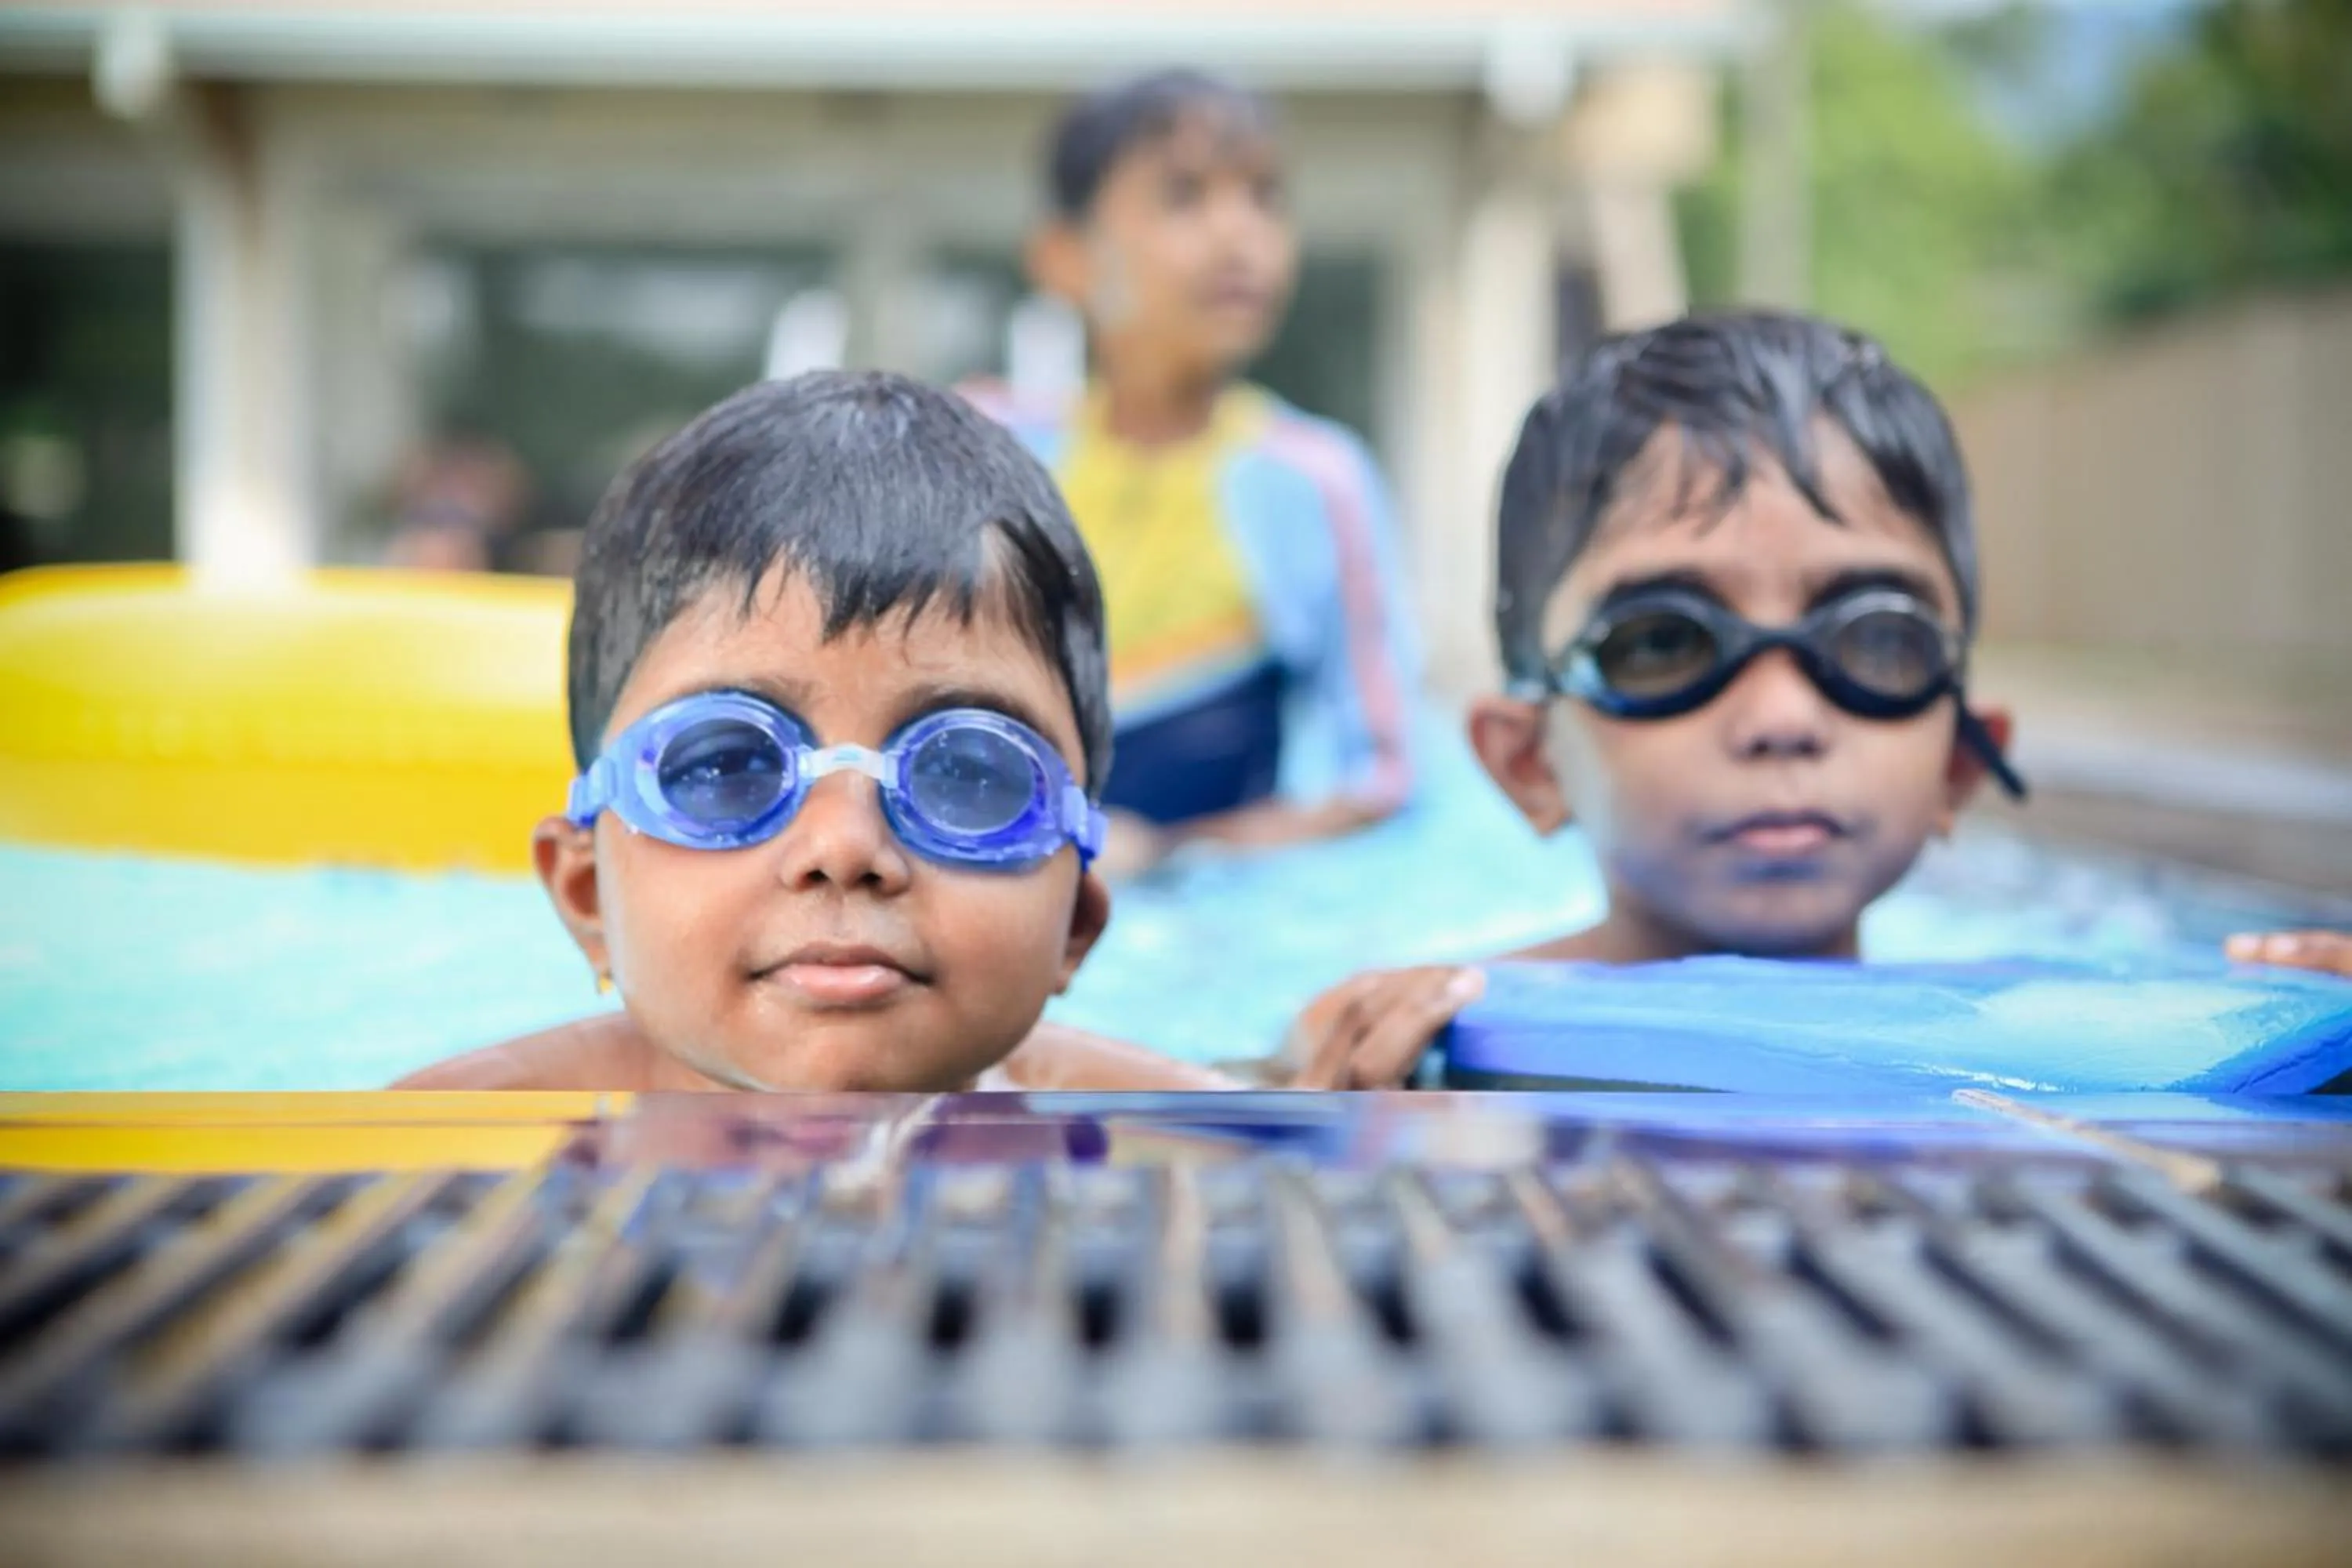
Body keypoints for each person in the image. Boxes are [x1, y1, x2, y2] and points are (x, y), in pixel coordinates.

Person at [1286, 310, 2351, 1089]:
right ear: (1529, 761)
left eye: (1875, 641)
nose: (1782, 718)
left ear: (1958, 764)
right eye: (1662, 642)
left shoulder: (2080, 1029)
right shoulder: (1427, 1028)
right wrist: (1307, 1073)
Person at [397, 372, 1228, 1092]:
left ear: (1074, 922)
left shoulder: (1162, 1120)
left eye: (968, 777)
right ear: (586, 896)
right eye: (725, 767)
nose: (844, 846)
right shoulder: (449, 1134)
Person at [966, 68, 1419, 877]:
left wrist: (1170, 854)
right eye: (1182, 198)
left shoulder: (1316, 480)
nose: (1238, 235)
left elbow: (1383, 780)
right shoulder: (992, 449)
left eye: (1264, 198)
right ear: (1065, 259)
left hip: (1200, 913)